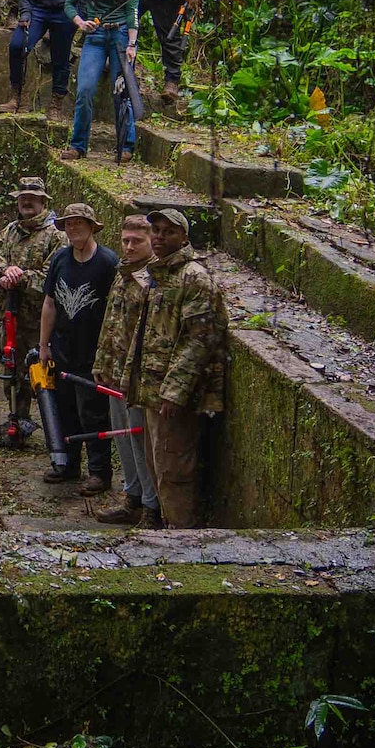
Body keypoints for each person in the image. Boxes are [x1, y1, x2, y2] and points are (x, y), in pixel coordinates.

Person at [126, 209, 222, 528]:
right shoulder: (157, 273)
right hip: (152, 392)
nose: (160, 237)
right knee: (159, 469)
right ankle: (171, 530)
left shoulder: (194, 276)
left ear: (184, 237)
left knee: (175, 473)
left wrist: (174, 392)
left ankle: (183, 538)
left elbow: (200, 339)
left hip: (175, 399)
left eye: (169, 232)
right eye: (156, 230)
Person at [38, 203, 119, 493]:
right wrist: (43, 344)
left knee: (93, 413)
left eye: (79, 223)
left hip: (93, 352)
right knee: (65, 409)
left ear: (92, 226)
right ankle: (69, 465)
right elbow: (49, 303)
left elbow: (116, 311)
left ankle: (100, 472)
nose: (73, 228)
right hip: (62, 349)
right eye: (69, 224)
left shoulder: (108, 262)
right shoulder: (60, 259)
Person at [93, 215, 160, 527]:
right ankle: (132, 496)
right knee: (122, 436)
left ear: (150, 242)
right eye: (125, 240)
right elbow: (111, 322)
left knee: (140, 440)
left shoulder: (153, 279)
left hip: (139, 377)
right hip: (115, 371)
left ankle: (150, 506)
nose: (130, 246)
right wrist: (101, 363)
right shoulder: (123, 273)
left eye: (137, 241)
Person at [0, 178, 68, 428]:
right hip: (12, 318)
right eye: (23, 197)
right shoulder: (9, 231)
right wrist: (4, 272)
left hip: (43, 321)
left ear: (44, 201)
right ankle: (18, 421)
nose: (27, 201)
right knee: (13, 374)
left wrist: (20, 277)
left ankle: (55, 430)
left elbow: (53, 278)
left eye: (32, 198)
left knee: (46, 376)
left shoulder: (57, 236)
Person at [64, 0, 143, 162]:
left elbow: (132, 11)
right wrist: (79, 22)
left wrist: (132, 43)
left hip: (119, 36)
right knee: (85, 89)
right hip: (95, 37)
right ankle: (78, 145)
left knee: (123, 91)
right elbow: (69, 3)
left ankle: (126, 146)